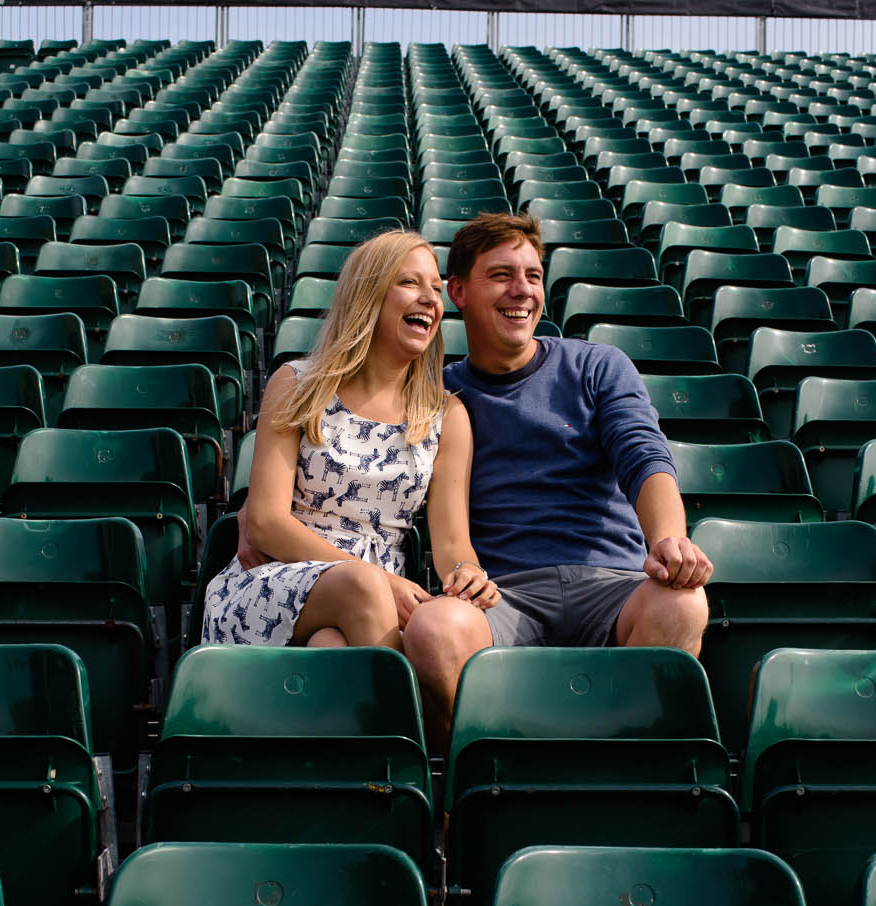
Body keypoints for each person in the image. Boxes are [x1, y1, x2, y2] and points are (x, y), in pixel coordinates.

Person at [398, 212, 713, 744]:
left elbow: (644, 455)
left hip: (612, 586)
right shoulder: (433, 395)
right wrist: (255, 510)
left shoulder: (597, 365)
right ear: (457, 291)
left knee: (682, 601)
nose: (522, 290)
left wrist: (668, 540)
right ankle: (487, 777)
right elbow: (350, 453)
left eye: (534, 275)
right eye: (501, 275)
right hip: (500, 597)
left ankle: (617, 772)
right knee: (434, 630)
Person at [204, 229, 498, 649]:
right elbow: (267, 523)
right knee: (360, 588)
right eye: (409, 282)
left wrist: (468, 571)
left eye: (436, 288)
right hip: (280, 578)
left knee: (330, 646)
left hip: (383, 596)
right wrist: (377, 580)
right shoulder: (297, 384)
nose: (432, 299)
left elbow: (451, 542)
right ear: (369, 294)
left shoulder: (446, 415)